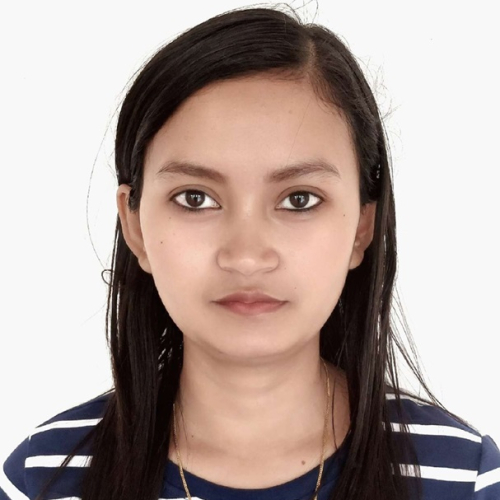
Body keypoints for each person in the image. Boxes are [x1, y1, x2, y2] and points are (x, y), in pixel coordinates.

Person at [1, 5, 499, 500]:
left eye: (299, 199)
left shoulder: (468, 479)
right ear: (134, 226)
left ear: (361, 228)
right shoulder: (41, 479)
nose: (246, 256)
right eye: (195, 199)